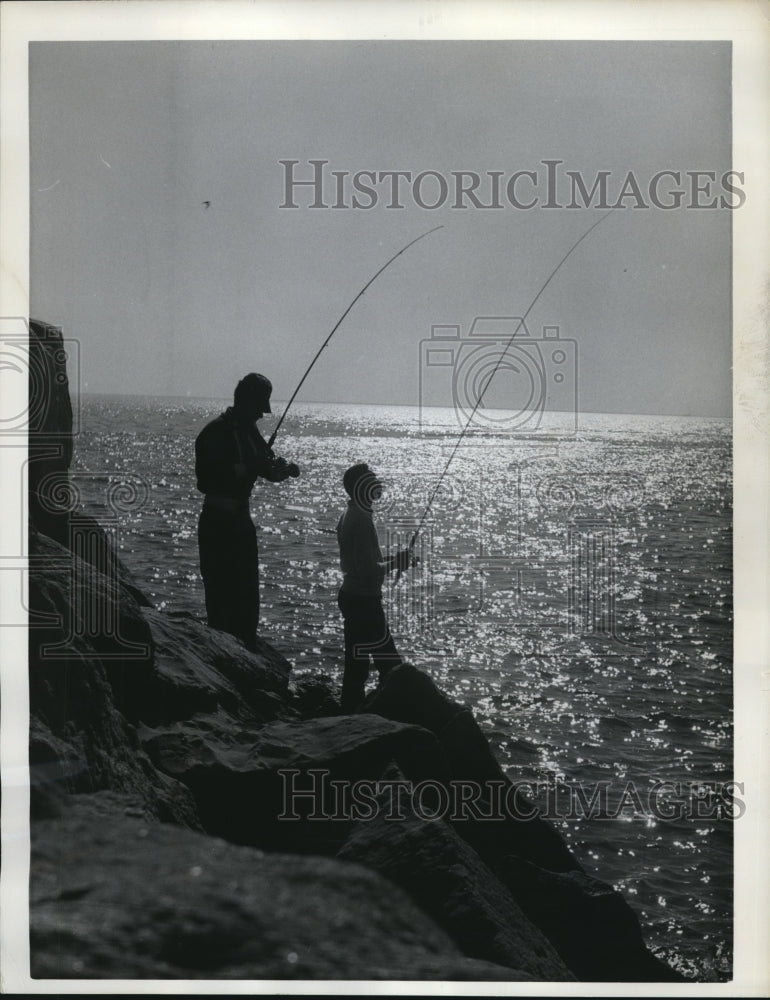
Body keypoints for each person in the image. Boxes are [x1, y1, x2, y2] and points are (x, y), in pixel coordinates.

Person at [195, 373, 299, 651]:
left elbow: (266, 467)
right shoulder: (215, 432)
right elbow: (204, 482)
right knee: (220, 594)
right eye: (257, 408)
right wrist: (244, 469)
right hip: (218, 523)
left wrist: (283, 471)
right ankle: (223, 654)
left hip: (241, 523)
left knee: (247, 595)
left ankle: (245, 651)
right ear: (245, 402)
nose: (261, 415)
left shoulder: (250, 432)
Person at [336, 463, 416, 712]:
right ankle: (393, 718)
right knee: (390, 665)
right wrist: (397, 563)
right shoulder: (360, 520)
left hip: (354, 597)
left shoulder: (352, 514)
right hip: (363, 601)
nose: (377, 483)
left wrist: (395, 559)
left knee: (357, 666)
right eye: (371, 480)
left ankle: (349, 715)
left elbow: (364, 562)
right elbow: (367, 569)